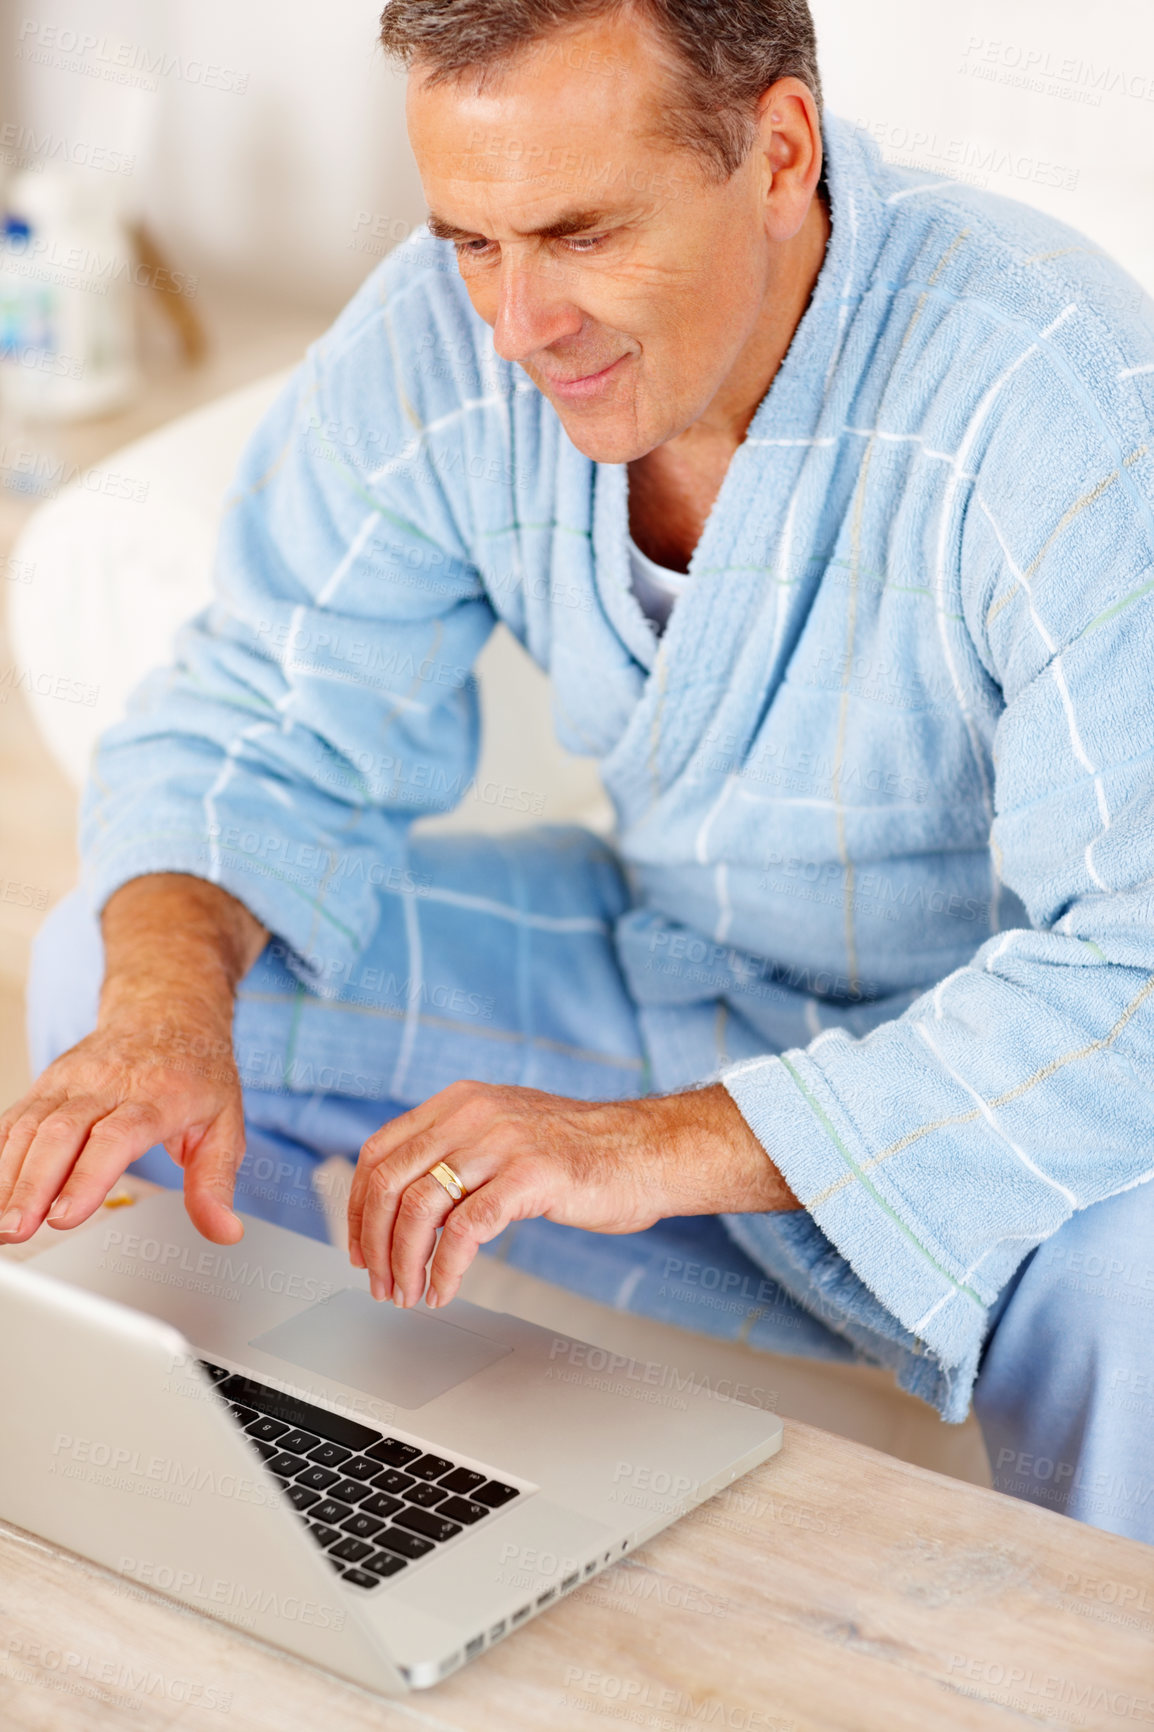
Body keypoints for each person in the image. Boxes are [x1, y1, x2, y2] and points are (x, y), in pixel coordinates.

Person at [5, 0, 1154, 1543]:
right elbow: (256, 720)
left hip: (980, 1069)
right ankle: (280, 1543)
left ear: (777, 154)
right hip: (660, 970)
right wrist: (156, 1018)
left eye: (580, 233)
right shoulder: (438, 332)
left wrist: (650, 1147)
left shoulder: (1051, 392)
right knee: (118, 964)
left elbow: (1134, 970)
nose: (513, 323)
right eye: (470, 240)